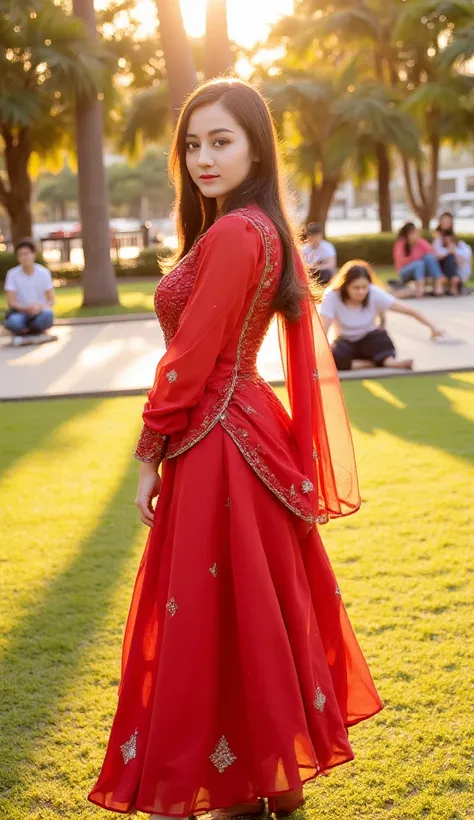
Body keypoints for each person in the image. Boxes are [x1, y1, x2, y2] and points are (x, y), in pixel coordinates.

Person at [87, 79, 383, 820]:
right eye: (192, 144)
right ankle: (255, 779)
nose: (202, 157)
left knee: (217, 612)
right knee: (240, 610)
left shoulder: (233, 233)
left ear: (256, 146)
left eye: (221, 141)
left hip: (217, 440)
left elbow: (188, 359)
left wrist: (148, 453)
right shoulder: (260, 229)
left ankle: (239, 781)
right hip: (245, 429)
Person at [320, 261, 444, 371]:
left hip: (369, 340)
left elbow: (408, 310)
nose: (361, 292)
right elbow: (322, 329)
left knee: (381, 337)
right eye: (356, 288)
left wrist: (433, 327)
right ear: (345, 287)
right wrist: (325, 347)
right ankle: (369, 364)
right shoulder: (332, 296)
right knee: (332, 355)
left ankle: (390, 362)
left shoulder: (374, 293)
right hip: (344, 342)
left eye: (364, 287)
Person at [3, 239, 55, 345]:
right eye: (20, 254)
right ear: (18, 258)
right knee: (13, 322)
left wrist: (39, 308)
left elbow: (51, 300)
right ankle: (33, 334)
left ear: (33, 255)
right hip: (20, 313)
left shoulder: (44, 273)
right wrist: (27, 309)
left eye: (26, 253)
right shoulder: (12, 274)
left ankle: (29, 334)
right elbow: (11, 302)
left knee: (48, 314)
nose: (24, 257)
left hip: (39, 312)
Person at [393, 223, 444, 297]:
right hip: (404, 271)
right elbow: (401, 262)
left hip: (421, 269)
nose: (415, 235)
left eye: (416, 233)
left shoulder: (420, 242)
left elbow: (432, 253)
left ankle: (438, 283)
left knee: (428, 257)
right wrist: (417, 256)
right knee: (419, 263)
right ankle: (420, 289)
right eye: (412, 233)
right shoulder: (400, 244)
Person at [433, 228, 472, 295]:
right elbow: (436, 253)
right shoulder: (441, 245)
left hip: (459, 273)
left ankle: (454, 281)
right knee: (449, 257)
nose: (447, 240)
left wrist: (454, 251)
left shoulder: (461, 245)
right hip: (444, 272)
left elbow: (467, 255)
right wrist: (448, 250)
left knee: (451, 257)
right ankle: (453, 282)